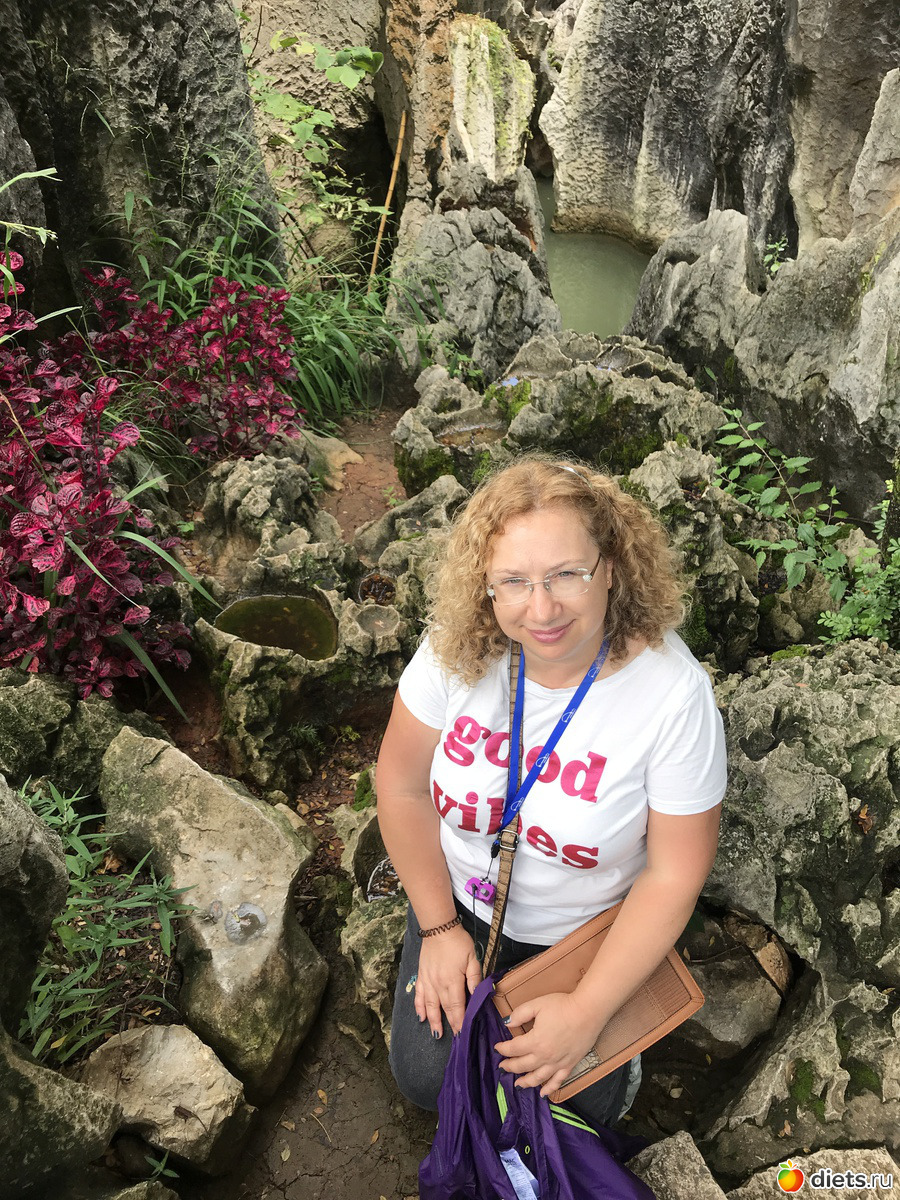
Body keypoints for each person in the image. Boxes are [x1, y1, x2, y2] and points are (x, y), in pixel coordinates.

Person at [376, 454, 727, 1131]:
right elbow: (400, 785)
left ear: (610, 568)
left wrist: (588, 1011)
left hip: (583, 935)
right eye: (513, 581)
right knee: (426, 1080)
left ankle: (621, 1057)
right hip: (460, 907)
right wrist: (439, 928)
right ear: (486, 584)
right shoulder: (454, 651)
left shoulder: (672, 696)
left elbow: (675, 872)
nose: (541, 610)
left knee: (566, 1106)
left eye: (567, 574)